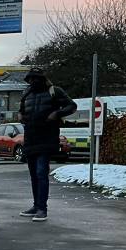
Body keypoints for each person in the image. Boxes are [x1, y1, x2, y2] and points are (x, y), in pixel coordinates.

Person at [17, 68, 77, 222]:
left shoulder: (54, 91)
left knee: (41, 173)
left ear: (43, 79)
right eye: (31, 79)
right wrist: (20, 116)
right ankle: (36, 205)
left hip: (47, 137)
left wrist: (57, 114)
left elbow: (72, 106)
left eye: (36, 78)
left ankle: (42, 208)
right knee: (33, 175)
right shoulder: (26, 94)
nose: (33, 81)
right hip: (31, 138)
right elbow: (21, 110)